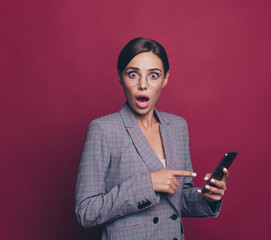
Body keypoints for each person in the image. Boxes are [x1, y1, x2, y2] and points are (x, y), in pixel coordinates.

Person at [75, 37, 230, 240]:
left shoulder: (177, 127)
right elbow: (85, 211)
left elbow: (179, 199)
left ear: (165, 79)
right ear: (121, 77)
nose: (142, 85)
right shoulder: (103, 129)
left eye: (153, 76)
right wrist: (147, 185)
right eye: (133, 74)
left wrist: (208, 197)